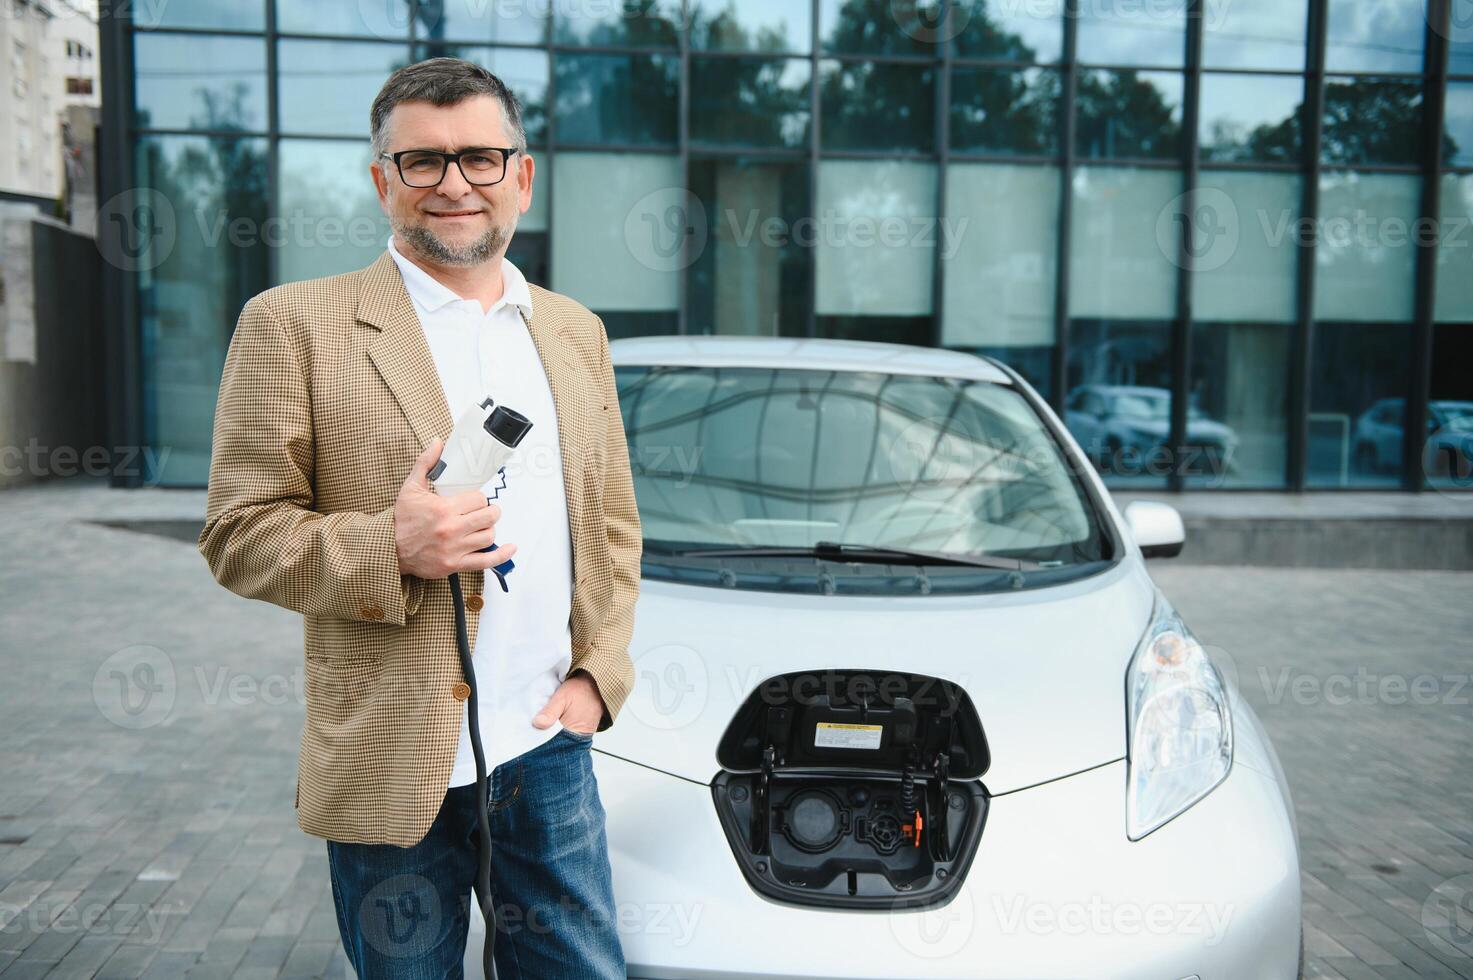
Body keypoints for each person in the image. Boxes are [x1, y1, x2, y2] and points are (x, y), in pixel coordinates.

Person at [197, 56, 640, 979]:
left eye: (480, 158)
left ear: (521, 175)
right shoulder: (293, 324)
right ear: (381, 181)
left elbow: (611, 526)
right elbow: (238, 534)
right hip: (390, 758)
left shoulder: (574, 331)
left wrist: (600, 673)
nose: (453, 185)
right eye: (421, 162)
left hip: (545, 747)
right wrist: (387, 546)